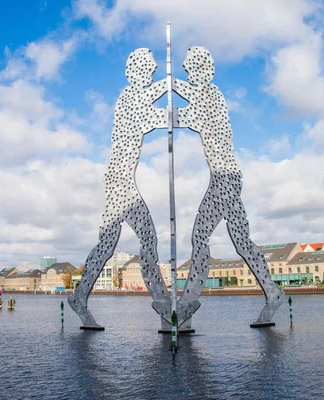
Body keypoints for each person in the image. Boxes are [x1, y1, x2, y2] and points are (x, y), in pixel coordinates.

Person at [172, 46, 284, 326]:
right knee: (242, 241)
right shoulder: (207, 96)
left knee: (200, 237)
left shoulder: (211, 96)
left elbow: (188, 115)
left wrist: (167, 86)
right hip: (228, 176)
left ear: (200, 69)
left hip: (224, 178)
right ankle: (272, 293)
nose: (186, 73)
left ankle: (186, 304)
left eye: (188, 69)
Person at [68, 48, 171, 327]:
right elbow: (152, 117)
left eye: (153, 72)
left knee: (107, 244)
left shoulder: (135, 96)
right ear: (136, 72)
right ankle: (164, 308)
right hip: (121, 182)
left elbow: (151, 102)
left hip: (119, 179)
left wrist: (170, 86)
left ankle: (79, 297)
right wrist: (171, 87)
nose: (151, 76)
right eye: (148, 71)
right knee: (147, 241)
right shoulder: (129, 97)